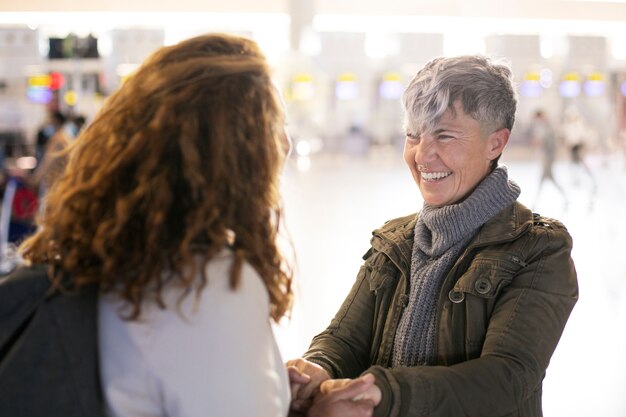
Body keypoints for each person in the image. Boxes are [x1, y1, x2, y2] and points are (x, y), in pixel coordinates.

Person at [20, 33, 300, 417]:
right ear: (235, 152)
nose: (284, 142)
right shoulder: (209, 288)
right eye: (273, 123)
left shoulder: (103, 256)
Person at [287, 55, 578, 417]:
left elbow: (506, 379)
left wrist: (385, 394)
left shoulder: (538, 249)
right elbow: (345, 339)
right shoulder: (395, 240)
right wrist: (317, 369)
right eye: (413, 135)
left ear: (495, 143)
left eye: (444, 135)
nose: (422, 154)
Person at [529, 109, 567, 209]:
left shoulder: (548, 127)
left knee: (544, 180)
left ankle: (535, 203)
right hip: (546, 157)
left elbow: (550, 143)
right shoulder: (543, 127)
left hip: (548, 158)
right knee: (550, 179)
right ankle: (565, 198)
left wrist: (541, 142)